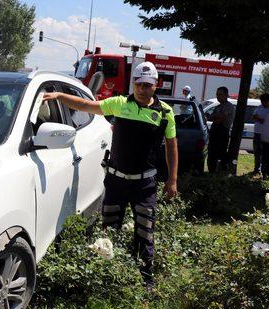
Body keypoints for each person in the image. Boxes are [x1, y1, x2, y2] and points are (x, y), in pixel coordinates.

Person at [43, 62, 178, 287]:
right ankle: (107, 277)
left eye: (148, 85)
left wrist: (172, 180)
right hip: (116, 181)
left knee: (145, 231)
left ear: (156, 85)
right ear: (133, 83)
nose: (143, 89)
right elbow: (87, 105)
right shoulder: (120, 104)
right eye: (139, 84)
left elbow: (172, 147)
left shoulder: (165, 113)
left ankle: (146, 279)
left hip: (145, 185)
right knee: (109, 230)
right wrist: (59, 96)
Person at [207, 87, 235, 173]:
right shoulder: (218, 106)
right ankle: (212, 172)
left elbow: (220, 118)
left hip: (222, 134)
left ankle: (219, 173)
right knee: (211, 155)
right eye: (217, 95)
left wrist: (215, 116)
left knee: (220, 155)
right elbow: (211, 117)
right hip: (214, 133)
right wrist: (214, 116)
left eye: (220, 94)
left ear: (226, 95)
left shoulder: (229, 106)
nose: (218, 96)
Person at [251, 93, 269, 175]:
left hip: (266, 133)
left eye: (265, 101)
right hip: (257, 133)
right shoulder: (259, 107)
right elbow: (253, 117)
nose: (263, 103)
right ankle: (257, 169)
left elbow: (265, 121)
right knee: (256, 152)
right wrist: (258, 118)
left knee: (265, 153)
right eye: (262, 101)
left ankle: (265, 170)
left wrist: (258, 118)